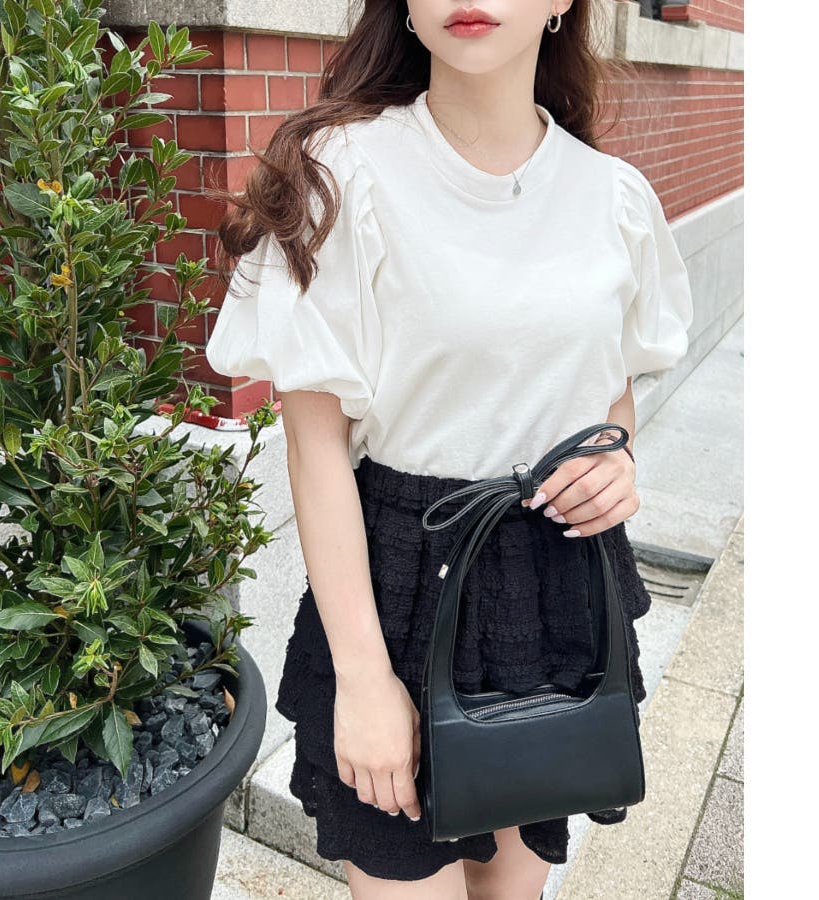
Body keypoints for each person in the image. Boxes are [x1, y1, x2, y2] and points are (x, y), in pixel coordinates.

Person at [205, 2, 694, 897]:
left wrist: (615, 460)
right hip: (398, 586)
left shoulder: (612, 195)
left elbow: (611, 382)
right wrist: (363, 677)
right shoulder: (339, 174)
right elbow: (316, 449)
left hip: (555, 581)